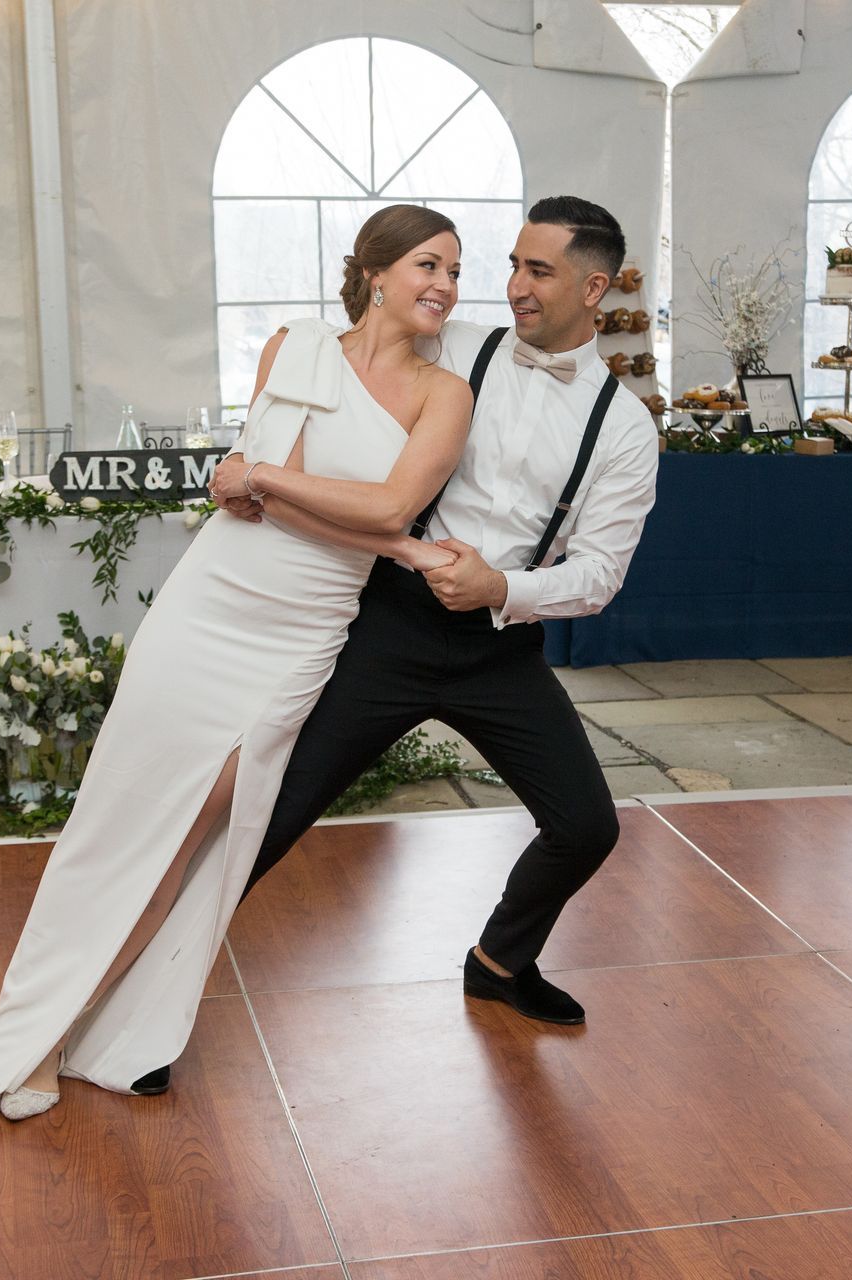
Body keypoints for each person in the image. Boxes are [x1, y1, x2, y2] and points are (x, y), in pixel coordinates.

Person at [0, 204, 473, 1119]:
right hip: (210, 602)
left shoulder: (445, 395)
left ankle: (57, 1039)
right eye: (428, 264)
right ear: (377, 272)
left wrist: (277, 485)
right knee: (112, 825)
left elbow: (380, 507)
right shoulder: (292, 346)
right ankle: (22, 1035)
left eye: (454, 272)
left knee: (190, 834)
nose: (444, 285)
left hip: (300, 631)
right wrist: (316, 508)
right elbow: (277, 505)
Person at [212, 195, 659, 1029]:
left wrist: (504, 591)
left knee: (587, 826)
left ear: (595, 288)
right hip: (389, 624)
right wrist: (250, 452)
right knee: (274, 811)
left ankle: (498, 964)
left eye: (539, 271)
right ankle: (158, 986)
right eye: (514, 266)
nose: (514, 287)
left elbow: (600, 574)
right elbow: (336, 378)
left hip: (499, 649)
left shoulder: (626, 427)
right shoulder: (451, 344)